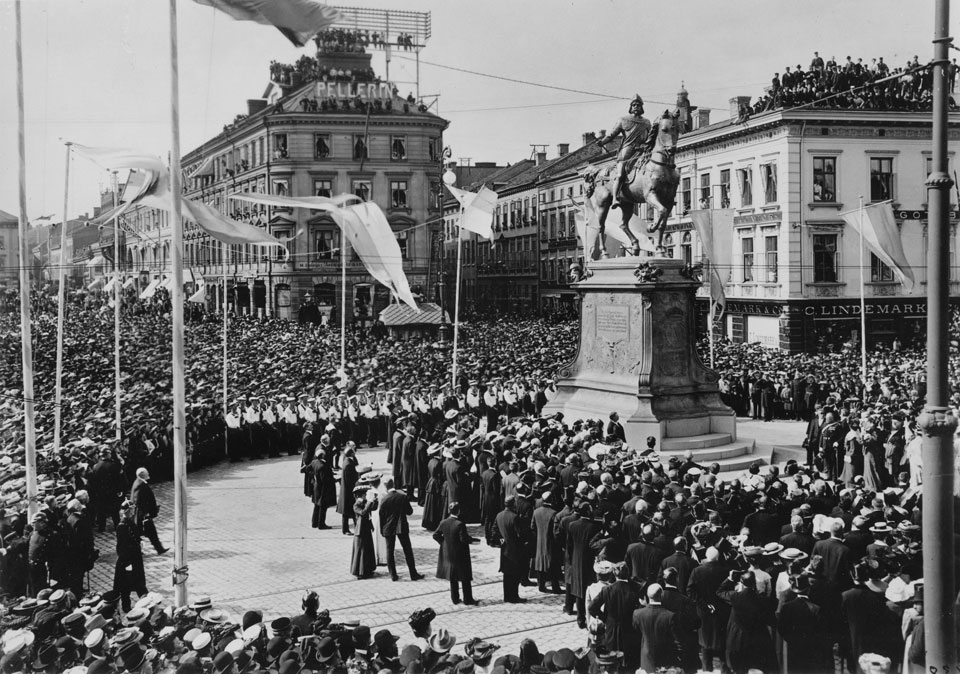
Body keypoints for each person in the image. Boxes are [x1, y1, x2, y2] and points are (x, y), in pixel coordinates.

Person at [596, 95, 654, 210]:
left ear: (642, 107)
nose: (636, 107)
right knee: (620, 174)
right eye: (634, 105)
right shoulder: (623, 120)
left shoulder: (647, 122)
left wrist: (645, 145)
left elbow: (650, 138)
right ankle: (615, 198)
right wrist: (603, 141)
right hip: (627, 151)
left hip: (642, 151)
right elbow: (612, 134)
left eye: (638, 105)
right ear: (630, 107)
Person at [378, 476, 424, 582]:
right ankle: (413, 573)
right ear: (393, 484)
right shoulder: (402, 497)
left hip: (388, 528)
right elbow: (410, 511)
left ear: (385, 487)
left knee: (390, 551)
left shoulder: (384, 499)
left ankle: (393, 575)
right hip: (401, 526)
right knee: (407, 550)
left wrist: (382, 530)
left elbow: (382, 517)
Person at [433, 502, 477, 605]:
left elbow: (435, 535)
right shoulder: (460, 524)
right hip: (460, 554)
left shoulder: (443, 522)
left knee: (453, 577)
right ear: (459, 511)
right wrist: (471, 540)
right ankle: (468, 599)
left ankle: (455, 599)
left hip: (448, 554)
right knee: (465, 577)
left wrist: (443, 543)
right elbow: (463, 539)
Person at [632, 583, 682, 673]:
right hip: (665, 659)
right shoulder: (670, 616)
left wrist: (644, 606)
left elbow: (636, 629)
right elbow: (677, 640)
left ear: (647, 595)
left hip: (646, 658)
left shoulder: (638, 613)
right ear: (661, 595)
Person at [114, 500, 147, 612]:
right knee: (125, 587)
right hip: (127, 561)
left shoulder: (130, 522)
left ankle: (145, 602)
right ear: (127, 511)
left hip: (135, 559)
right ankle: (126, 607)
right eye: (132, 509)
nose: (133, 511)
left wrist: (140, 541)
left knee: (140, 584)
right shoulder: (122, 526)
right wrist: (127, 564)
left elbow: (135, 535)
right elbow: (121, 547)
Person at [495, 496, 528, 603]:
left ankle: (507, 596)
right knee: (515, 574)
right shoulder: (514, 517)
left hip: (504, 550)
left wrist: (500, 541)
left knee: (506, 574)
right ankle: (514, 596)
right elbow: (519, 534)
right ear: (513, 504)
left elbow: (494, 531)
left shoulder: (499, 515)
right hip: (515, 550)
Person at [129, 467, 167, 555]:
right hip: (142, 514)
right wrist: (152, 512)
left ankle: (158, 548)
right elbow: (150, 500)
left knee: (139, 533)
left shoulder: (137, 482)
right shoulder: (143, 485)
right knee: (149, 532)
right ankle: (159, 549)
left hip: (137, 513)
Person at [350, 487, 378, 579]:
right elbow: (363, 512)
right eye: (364, 494)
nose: (366, 496)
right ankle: (360, 571)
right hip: (360, 530)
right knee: (361, 550)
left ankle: (367, 569)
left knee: (367, 549)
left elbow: (373, 508)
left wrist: (375, 501)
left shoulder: (364, 503)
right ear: (360, 495)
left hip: (366, 528)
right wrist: (369, 503)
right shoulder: (356, 505)